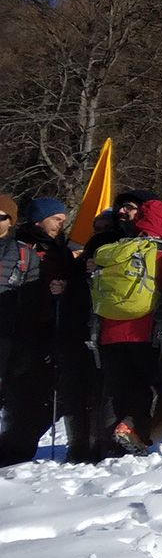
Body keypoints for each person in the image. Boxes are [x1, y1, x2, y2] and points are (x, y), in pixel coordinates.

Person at [90, 197, 162, 456]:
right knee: (152, 386)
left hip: (110, 331)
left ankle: (106, 447)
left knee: (115, 389)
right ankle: (135, 433)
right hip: (149, 331)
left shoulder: (117, 248)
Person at [3, 198, 88, 463]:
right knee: (21, 395)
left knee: (38, 397)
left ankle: (16, 447)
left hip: (47, 330)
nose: (61, 225)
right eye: (56, 219)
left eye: (63, 220)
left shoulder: (59, 247)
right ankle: (14, 447)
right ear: (39, 219)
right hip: (22, 330)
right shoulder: (27, 246)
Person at [0, 193, 42, 460]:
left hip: (11, 335)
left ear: (11, 221)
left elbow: (35, 299)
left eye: (1, 217)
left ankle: (11, 453)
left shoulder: (25, 254)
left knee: (13, 396)